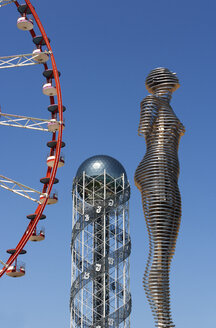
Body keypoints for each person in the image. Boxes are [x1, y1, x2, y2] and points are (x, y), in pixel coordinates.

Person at [134, 67, 185, 328]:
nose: (175, 73)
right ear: (157, 81)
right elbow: (144, 131)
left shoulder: (164, 105)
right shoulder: (151, 101)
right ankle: (164, 323)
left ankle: (165, 321)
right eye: (167, 72)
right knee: (160, 251)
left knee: (167, 251)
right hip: (156, 170)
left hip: (167, 174)